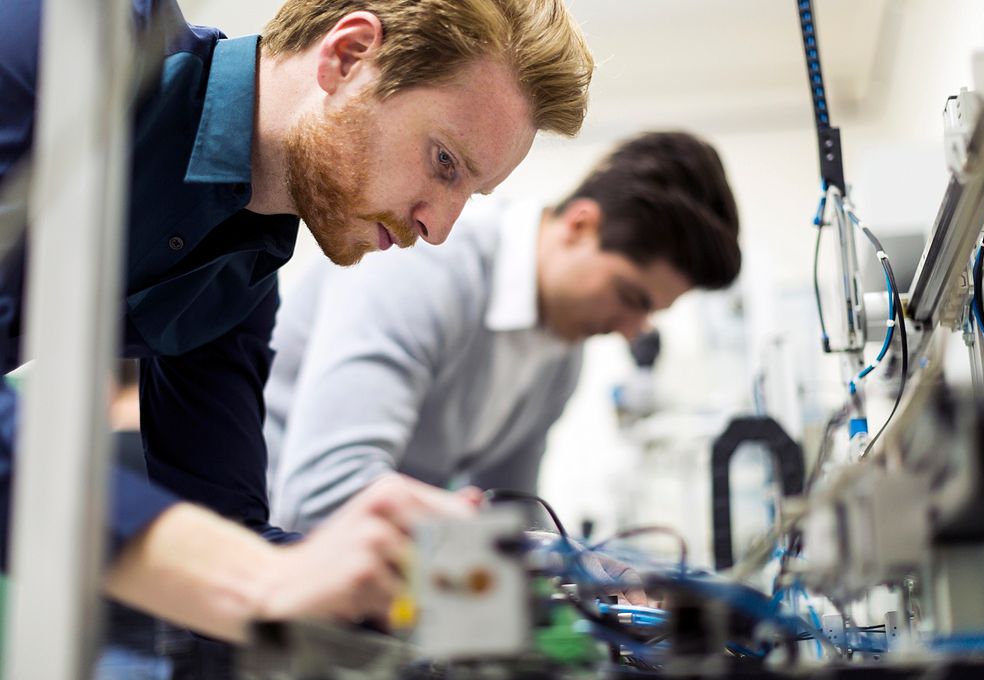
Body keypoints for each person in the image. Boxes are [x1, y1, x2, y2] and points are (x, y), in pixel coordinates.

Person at [0, 0, 593, 643]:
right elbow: (242, 570)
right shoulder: (66, 34)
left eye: (468, 195)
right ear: (348, 56)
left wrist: (449, 579)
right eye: (444, 162)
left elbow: (228, 532)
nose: (439, 227)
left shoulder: (238, 283)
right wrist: (248, 575)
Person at [264, 131, 741, 534]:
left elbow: (513, 511)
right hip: (251, 568)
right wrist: (534, 555)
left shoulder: (561, 355)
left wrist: (580, 567)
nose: (632, 331)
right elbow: (321, 495)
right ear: (580, 225)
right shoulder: (426, 264)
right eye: (631, 297)